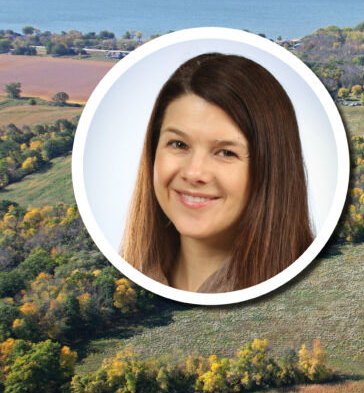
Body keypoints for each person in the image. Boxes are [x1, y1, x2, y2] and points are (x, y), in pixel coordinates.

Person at [122, 53, 313, 293]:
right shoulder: (125, 279)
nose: (194, 173)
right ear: (152, 151)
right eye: (179, 144)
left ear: (273, 169)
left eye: (225, 153)